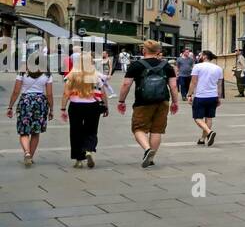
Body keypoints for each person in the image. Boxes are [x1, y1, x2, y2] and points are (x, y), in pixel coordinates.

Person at [116, 40, 179, 168]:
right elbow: (173, 86)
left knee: (138, 128)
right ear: (158, 51)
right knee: (157, 130)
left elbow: (126, 84)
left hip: (142, 101)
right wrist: (175, 102)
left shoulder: (136, 65)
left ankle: (146, 149)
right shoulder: (167, 66)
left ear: (144, 50)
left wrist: (121, 101)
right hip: (163, 101)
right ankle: (150, 159)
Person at [60, 53, 108, 168]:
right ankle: (88, 150)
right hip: (92, 106)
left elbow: (66, 93)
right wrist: (106, 106)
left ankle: (79, 159)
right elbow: (103, 93)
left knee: (75, 132)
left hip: (76, 106)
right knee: (91, 130)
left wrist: (63, 108)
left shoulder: (72, 75)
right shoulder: (96, 74)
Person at [6, 61, 53, 167]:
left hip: (25, 101)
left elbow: (16, 90)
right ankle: (30, 157)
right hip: (40, 102)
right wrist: (52, 109)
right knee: (35, 132)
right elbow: (49, 94)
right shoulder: (47, 73)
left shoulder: (23, 71)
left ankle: (27, 152)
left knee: (24, 130)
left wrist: (10, 106)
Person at [189, 51, 222, 146]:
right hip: (213, 96)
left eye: (200, 55)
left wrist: (189, 94)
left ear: (205, 56)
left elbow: (193, 82)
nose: (199, 56)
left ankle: (209, 132)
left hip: (200, 96)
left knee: (197, 118)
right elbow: (219, 85)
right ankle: (203, 139)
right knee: (209, 117)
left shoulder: (197, 66)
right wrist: (219, 97)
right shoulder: (218, 68)